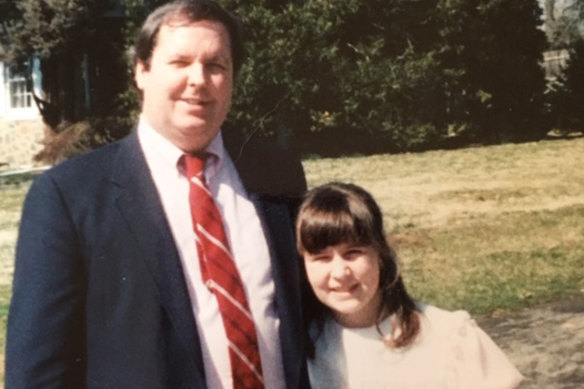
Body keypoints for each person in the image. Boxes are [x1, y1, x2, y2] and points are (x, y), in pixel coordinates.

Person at [5, 1, 309, 388]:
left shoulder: (276, 172)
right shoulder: (69, 197)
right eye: (180, 62)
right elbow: (38, 372)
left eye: (216, 65)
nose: (199, 79)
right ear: (141, 71)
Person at [295, 182, 523, 389]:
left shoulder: (449, 337)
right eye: (321, 258)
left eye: (353, 253)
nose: (340, 273)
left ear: (381, 254)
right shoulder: (302, 347)